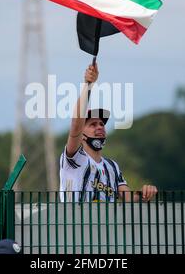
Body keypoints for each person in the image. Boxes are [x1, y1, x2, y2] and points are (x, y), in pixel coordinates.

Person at [59, 63, 158, 202]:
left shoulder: (112, 166)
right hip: (75, 223)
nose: (99, 127)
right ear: (82, 134)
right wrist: (88, 85)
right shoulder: (75, 158)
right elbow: (76, 124)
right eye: (93, 124)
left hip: (105, 224)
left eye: (101, 124)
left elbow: (129, 198)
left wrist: (144, 194)